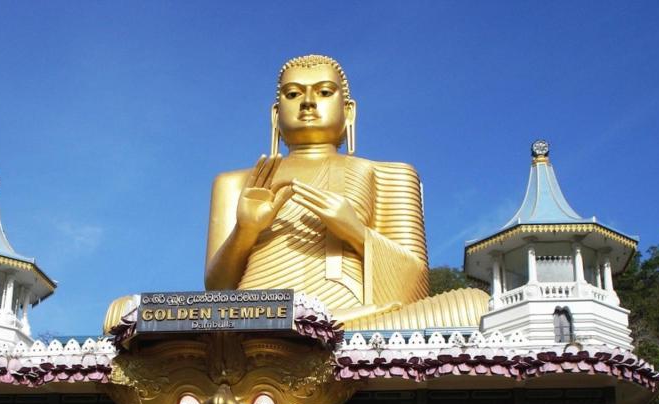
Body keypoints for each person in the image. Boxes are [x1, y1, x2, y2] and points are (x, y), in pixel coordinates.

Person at [204, 54, 487, 330]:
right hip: (257, 320)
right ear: (275, 115)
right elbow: (218, 289)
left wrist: (355, 231)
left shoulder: (389, 173)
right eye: (292, 94)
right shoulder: (237, 182)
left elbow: (415, 284)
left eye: (324, 92)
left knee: (474, 304)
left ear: (349, 110)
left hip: (352, 320)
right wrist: (246, 231)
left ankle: (318, 329)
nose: (307, 103)